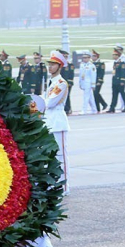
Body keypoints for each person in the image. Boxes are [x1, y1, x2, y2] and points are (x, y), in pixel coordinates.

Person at [44, 51, 70, 191]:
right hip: (49, 121)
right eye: (50, 64)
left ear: (59, 66)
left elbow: (50, 102)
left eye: (53, 64)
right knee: (51, 156)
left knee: (61, 156)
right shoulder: (51, 82)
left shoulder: (61, 83)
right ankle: (53, 185)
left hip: (58, 122)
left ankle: (64, 186)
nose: (50, 67)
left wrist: (36, 104)